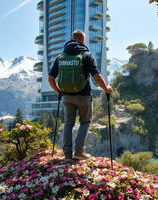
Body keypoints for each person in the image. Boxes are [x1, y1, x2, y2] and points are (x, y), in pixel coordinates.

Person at [48, 30, 112, 160]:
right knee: (85, 122)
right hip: (83, 96)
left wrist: (58, 92)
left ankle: (67, 154)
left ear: (72, 39)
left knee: (68, 124)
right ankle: (79, 152)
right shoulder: (86, 55)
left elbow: (50, 78)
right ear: (82, 40)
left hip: (66, 96)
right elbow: (97, 77)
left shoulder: (60, 57)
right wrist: (106, 88)